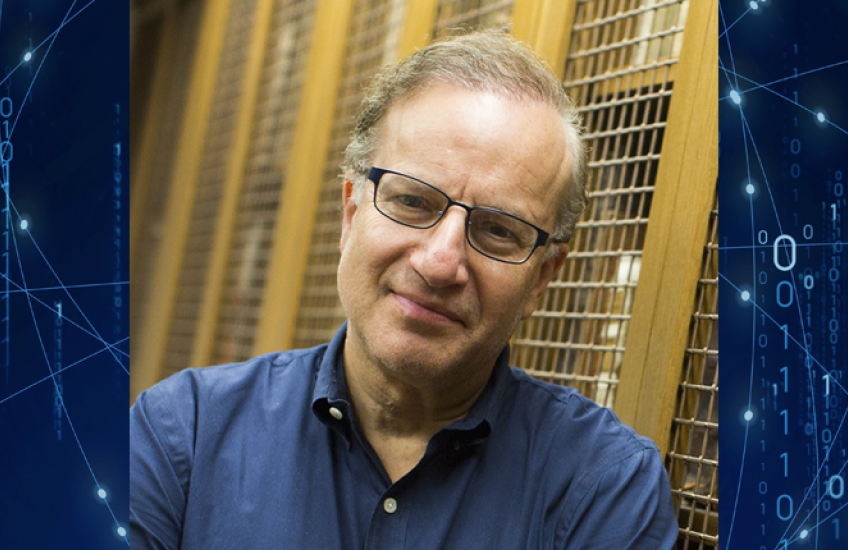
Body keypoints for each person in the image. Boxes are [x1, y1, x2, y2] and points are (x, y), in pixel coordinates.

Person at [130, 30, 678, 549]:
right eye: (413, 201)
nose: (440, 263)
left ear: (541, 278)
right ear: (351, 213)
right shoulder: (184, 436)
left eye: (497, 230)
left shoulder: (604, 491)